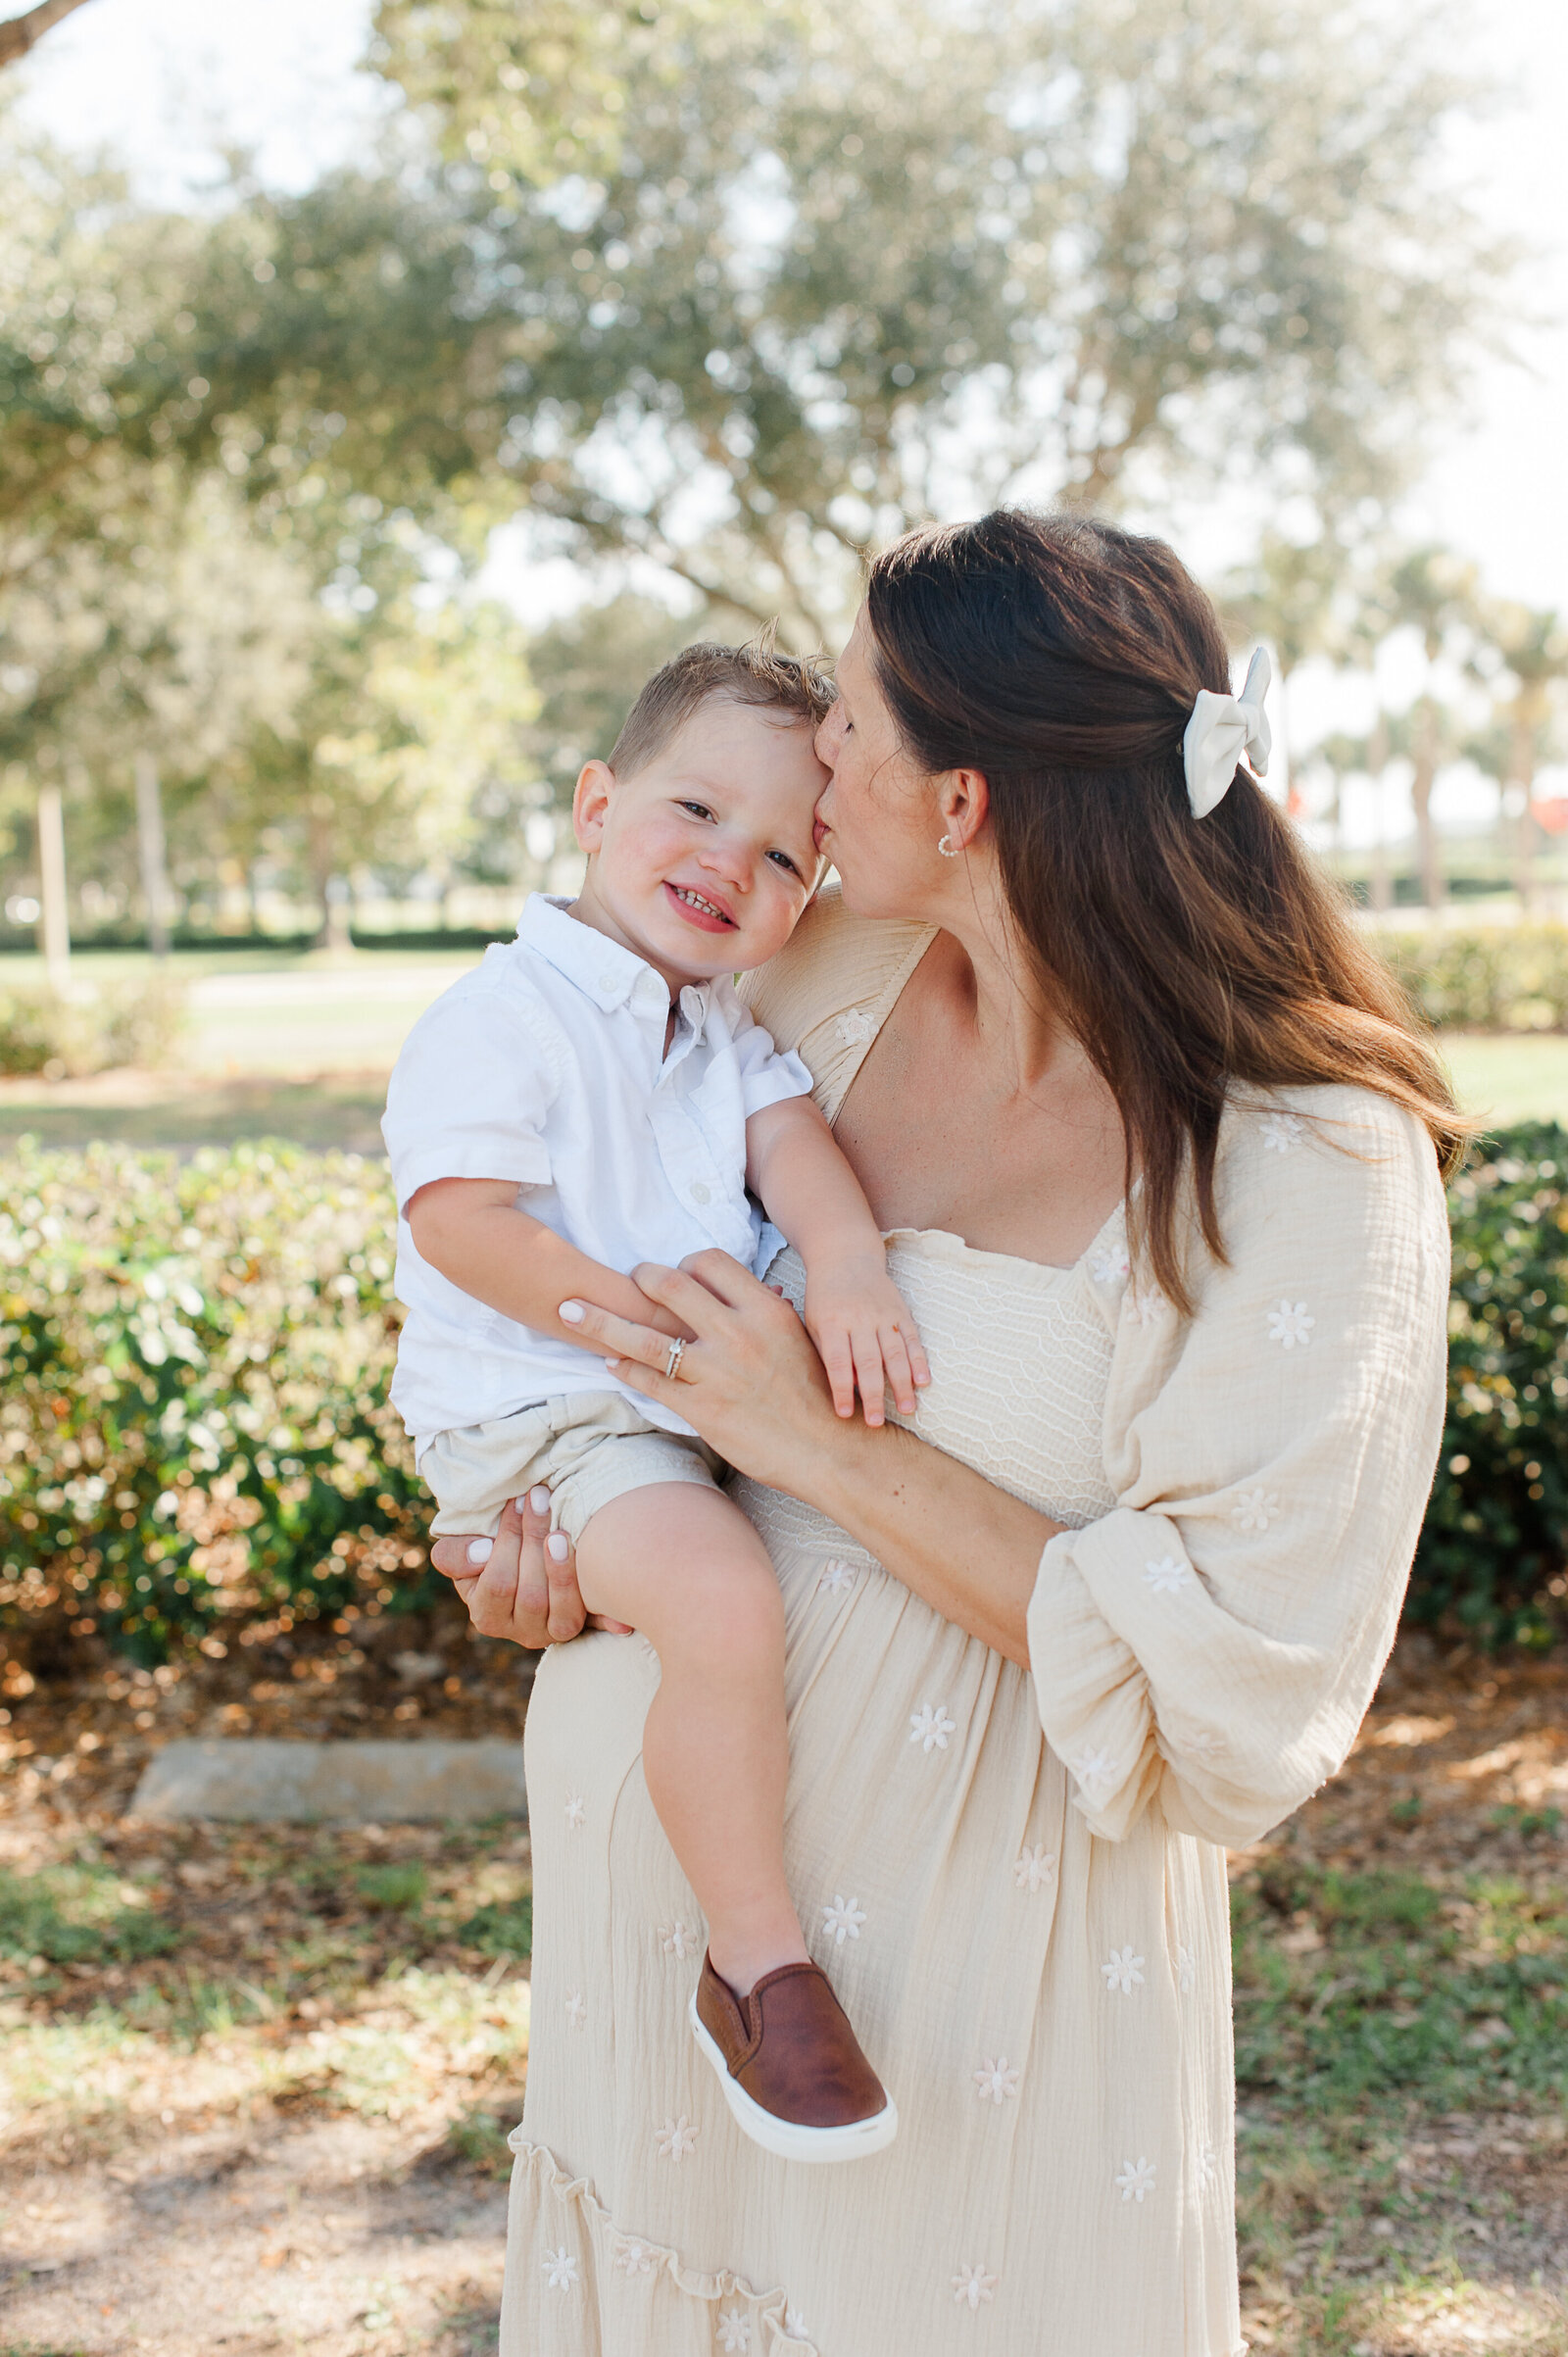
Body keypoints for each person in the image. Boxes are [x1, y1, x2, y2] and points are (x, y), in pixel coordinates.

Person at [434, 510, 1458, 2356]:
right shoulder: (805, 988)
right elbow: (544, 1251)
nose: (810, 756)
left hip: (983, 1987)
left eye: (841, 719)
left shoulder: (1309, 1156)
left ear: (963, 798)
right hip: (650, 1964)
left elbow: (1232, 1695)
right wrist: (564, 1563)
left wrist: (816, 1443)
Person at [383, 638, 929, 2167]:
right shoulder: (504, 1015)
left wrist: (848, 1267)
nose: (724, 863)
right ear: (594, 798)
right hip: (551, 1423)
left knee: (743, 1575)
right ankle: (760, 1964)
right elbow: (464, 1223)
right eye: (693, 809)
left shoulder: (726, 1038)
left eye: (777, 856)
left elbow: (802, 1153)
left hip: (659, 1412)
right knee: (719, 1594)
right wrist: (663, 1340)